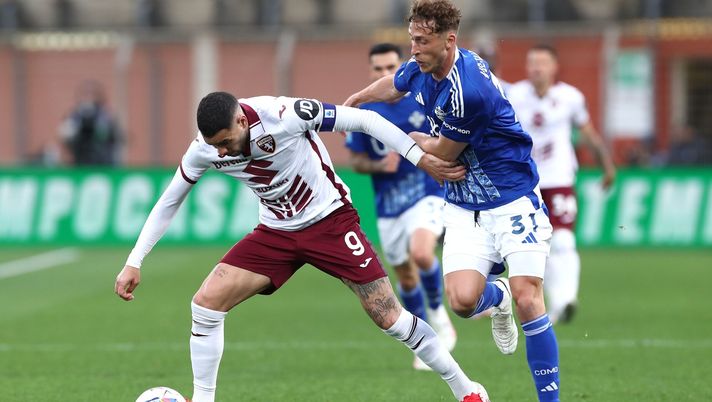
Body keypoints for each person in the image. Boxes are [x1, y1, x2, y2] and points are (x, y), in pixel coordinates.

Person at [114, 92, 491, 402]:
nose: (223, 154)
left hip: (330, 221)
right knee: (206, 302)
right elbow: (170, 200)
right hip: (276, 232)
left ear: (242, 122)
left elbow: (364, 121)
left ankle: (467, 391)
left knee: (389, 316)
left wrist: (419, 158)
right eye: (216, 147)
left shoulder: (284, 114)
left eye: (226, 142)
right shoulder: (205, 149)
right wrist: (135, 261)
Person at [345, 1, 561, 401]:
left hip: (512, 198)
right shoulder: (425, 65)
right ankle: (498, 298)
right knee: (462, 302)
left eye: (421, 41)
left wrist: (415, 142)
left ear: (449, 40)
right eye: (412, 39)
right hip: (464, 205)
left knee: (531, 296)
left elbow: (442, 154)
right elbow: (394, 85)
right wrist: (358, 100)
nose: (414, 49)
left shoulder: (470, 91)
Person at [345, 42, 456, 370]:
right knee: (405, 277)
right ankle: (424, 341)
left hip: (425, 191)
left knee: (422, 253)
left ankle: (440, 317)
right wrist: (380, 167)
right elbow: (356, 160)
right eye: (377, 69)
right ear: (370, 72)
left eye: (390, 67)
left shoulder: (423, 98)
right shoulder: (365, 112)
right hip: (388, 203)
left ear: (401, 68)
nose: (384, 73)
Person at [507, 44, 616, 324]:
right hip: (524, 184)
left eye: (542, 62)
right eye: (532, 62)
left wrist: (606, 164)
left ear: (554, 67)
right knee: (534, 247)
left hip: (559, 180)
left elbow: (587, 131)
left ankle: (565, 299)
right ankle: (549, 302)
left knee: (564, 240)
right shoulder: (513, 95)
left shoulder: (570, 97)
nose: (536, 68)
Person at [59, 81, 122, 166]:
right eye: (85, 94)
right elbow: (65, 135)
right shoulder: (75, 115)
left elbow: (112, 136)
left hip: (103, 162)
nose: (89, 98)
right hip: (80, 160)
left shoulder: (105, 115)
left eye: (92, 94)